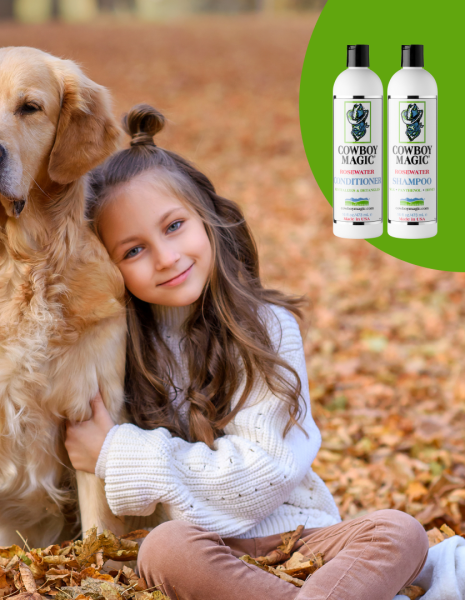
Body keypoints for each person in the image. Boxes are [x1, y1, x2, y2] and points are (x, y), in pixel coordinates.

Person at [63, 104, 428, 600]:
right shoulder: (119, 348)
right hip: (208, 556)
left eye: (173, 227)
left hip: (305, 541)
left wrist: (117, 451)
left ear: (208, 218)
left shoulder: (265, 329)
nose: (166, 258)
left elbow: (261, 476)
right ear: (106, 267)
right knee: (163, 549)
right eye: (133, 250)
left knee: (399, 532)